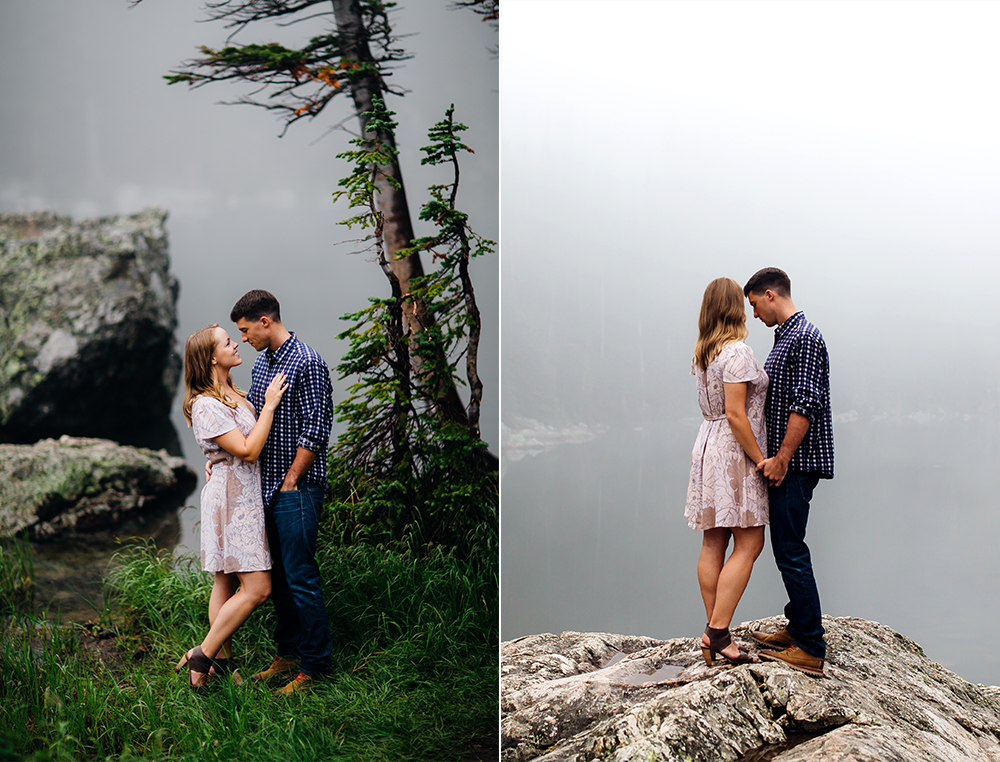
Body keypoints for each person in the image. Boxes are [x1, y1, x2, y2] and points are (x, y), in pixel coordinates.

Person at [230, 289, 334, 695]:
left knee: (301, 577)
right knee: (280, 578)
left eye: (245, 330)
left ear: (265, 322)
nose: (243, 339)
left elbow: (317, 429)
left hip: (298, 490)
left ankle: (316, 666)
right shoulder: (262, 363)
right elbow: (255, 416)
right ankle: (287, 655)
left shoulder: (307, 362)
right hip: (267, 488)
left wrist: (292, 479)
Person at [177, 324, 288, 690]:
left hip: (242, 492)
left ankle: (220, 666)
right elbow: (248, 449)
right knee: (258, 588)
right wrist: (270, 405)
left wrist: (218, 459)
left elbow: (235, 449)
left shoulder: (233, 393)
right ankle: (204, 654)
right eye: (227, 342)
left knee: (223, 583)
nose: (236, 344)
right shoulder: (206, 404)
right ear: (211, 357)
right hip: (231, 500)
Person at [743, 267, 834, 678]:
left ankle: (811, 647)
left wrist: (781, 458)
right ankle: (798, 629)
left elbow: (807, 404)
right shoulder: (786, 338)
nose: (754, 315)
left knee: (791, 549)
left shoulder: (805, 338)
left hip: (795, 465)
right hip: (787, 463)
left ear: (770, 294)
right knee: (786, 547)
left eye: (755, 305)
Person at [685, 277, 769, 666]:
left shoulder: (703, 353)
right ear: (735, 307)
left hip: (707, 445)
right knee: (750, 543)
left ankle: (714, 628)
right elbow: (736, 414)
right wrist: (760, 459)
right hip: (734, 452)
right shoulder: (736, 353)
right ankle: (717, 631)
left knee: (713, 541)